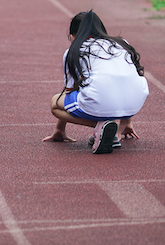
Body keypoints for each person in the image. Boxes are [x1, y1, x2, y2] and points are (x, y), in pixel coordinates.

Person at [43, 10, 148, 154]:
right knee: (116, 87)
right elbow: (126, 78)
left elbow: (69, 91)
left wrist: (60, 129)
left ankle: (103, 127)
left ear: (74, 35)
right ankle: (111, 129)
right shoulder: (122, 43)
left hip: (102, 99)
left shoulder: (73, 51)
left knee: (55, 103)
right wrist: (126, 121)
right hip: (135, 102)